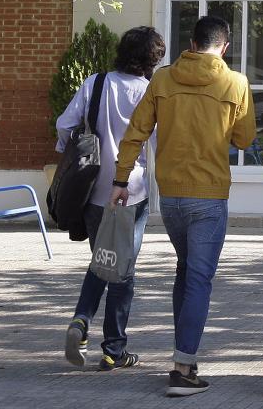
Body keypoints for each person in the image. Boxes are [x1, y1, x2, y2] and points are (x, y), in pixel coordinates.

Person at [113, 15, 256, 398]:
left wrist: (120, 180)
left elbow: (135, 132)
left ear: (191, 43)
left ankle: (184, 359)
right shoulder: (236, 82)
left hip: (172, 196)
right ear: (224, 47)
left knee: (186, 271)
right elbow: (244, 140)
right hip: (209, 195)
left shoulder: (161, 80)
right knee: (198, 279)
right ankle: (181, 368)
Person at [58, 26, 165, 372]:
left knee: (102, 261)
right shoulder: (149, 91)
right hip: (131, 191)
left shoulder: (96, 83)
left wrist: (69, 150)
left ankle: (80, 320)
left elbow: (65, 123)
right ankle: (114, 349)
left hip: (93, 190)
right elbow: (160, 140)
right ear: (152, 59)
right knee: (122, 271)